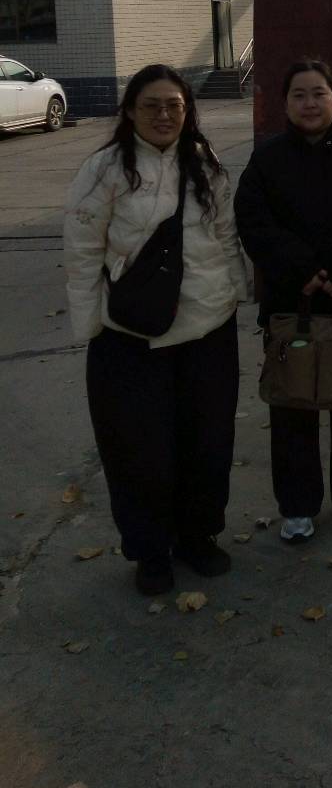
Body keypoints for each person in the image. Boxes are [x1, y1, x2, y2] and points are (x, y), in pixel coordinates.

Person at [64, 65, 248, 597]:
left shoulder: (204, 162)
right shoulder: (105, 169)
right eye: (151, 105)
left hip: (208, 327)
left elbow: (225, 233)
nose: (164, 115)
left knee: (208, 441)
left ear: (187, 111)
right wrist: (91, 325)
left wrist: (236, 291)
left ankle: (198, 536)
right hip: (131, 335)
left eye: (174, 105)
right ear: (130, 111)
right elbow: (82, 251)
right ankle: (150, 551)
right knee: (140, 451)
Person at [235, 59, 332, 544]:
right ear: (285, 103)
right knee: (292, 407)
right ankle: (297, 505)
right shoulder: (267, 160)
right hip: (291, 304)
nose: (309, 103)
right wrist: (304, 271)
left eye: (318, 93)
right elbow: (253, 222)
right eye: (299, 94)